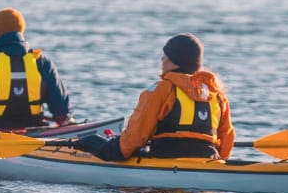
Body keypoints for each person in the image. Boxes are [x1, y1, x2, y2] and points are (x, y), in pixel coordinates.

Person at [83, 33, 234, 162]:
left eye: (166, 55)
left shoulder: (161, 90)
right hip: (208, 159)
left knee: (90, 141)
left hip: (165, 158)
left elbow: (136, 137)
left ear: (174, 61)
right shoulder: (217, 94)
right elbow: (226, 139)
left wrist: (112, 151)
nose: (162, 59)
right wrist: (218, 164)